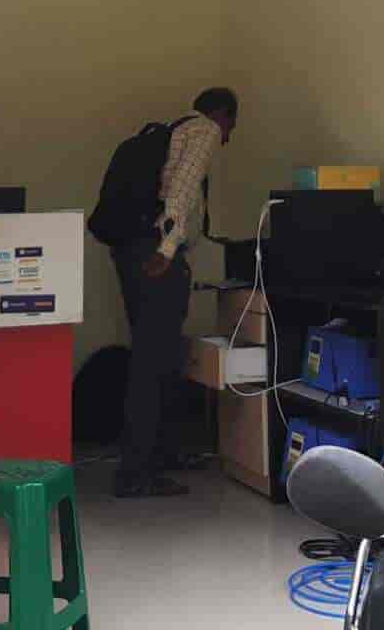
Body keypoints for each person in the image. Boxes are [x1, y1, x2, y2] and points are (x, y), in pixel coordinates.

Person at [113, 87, 238, 499]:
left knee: (158, 357)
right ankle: (136, 473)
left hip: (132, 252)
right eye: (230, 128)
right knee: (154, 361)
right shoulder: (202, 131)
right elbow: (181, 192)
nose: (227, 139)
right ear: (223, 117)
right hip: (156, 256)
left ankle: (160, 455)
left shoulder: (172, 131)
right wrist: (167, 251)